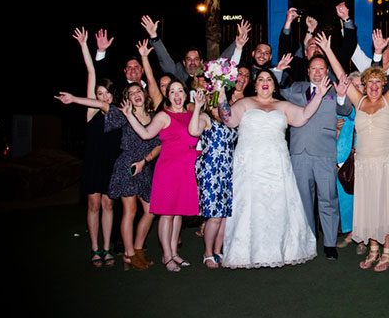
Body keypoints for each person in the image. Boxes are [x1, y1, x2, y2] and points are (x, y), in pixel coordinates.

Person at [217, 70, 334, 268]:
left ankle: (280, 249)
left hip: (276, 164)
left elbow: (303, 116)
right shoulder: (244, 103)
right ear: (255, 85)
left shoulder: (283, 106)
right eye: (261, 79)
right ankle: (246, 251)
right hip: (250, 165)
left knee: (277, 205)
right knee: (250, 205)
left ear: (274, 85)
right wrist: (220, 95)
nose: (265, 82)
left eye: (269, 79)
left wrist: (320, 95)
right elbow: (229, 119)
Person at [318, 29, 389, 272]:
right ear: (365, 85)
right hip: (364, 164)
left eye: (379, 81)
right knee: (368, 207)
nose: (375, 86)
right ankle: (374, 248)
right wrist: (327, 50)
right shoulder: (358, 100)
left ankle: (387, 251)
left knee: (386, 206)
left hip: (386, 163)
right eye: (371, 82)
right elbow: (340, 75)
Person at [56, 82, 160, 270]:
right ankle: (128, 254)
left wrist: (146, 160)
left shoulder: (153, 117)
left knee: (151, 210)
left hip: (144, 167)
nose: (136, 94)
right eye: (131, 92)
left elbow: (159, 144)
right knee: (130, 210)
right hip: (126, 166)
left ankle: (137, 249)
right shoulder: (123, 114)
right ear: (127, 98)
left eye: (139, 91)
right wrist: (73, 99)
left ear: (144, 95)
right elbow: (102, 105)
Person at [280, 52, 353, 260]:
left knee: (328, 198)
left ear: (327, 71)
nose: (318, 72)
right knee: (303, 200)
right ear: (308, 71)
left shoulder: (334, 90)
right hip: (299, 153)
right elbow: (278, 88)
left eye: (322, 68)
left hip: (324, 154)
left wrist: (340, 95)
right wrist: (278, 70)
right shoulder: (296, 89)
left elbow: (346, 109)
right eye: (314, 68)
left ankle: (330, 243)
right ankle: (308, 241)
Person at [122, 79, 200, 272]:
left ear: (185, 93)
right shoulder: (164, 116)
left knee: (178, 213)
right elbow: (146, 134)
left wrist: (199, 106)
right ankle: (166, 255)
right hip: (169, 170)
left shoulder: (191, 114)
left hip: (187, 169)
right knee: (167, 214)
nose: (176, 95)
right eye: (172, 91)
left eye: (180, 90)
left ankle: (174, 253)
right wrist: (129, 115)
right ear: (168, 95)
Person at [63, 27, 120, 267]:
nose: (103, 97)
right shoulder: (91, 111)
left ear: (112, 96)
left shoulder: (117, 114)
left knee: (108, 204)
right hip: (93, 163)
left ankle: (107, 248)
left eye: (106, 93)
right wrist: (87, 47)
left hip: (111, 164)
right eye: (99, 93)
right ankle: (95, 248)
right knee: (94, 204)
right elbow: (91, 70)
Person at [189, 90, 237, 269]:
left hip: (229, 170)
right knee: (215, 216)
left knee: (225, 216)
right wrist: (198, 108)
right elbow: (193, 131)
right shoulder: (205, 119)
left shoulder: (230, 121)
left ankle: (218, 250)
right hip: (211, 171)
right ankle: (207, 252)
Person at [334, 71, 362, 251]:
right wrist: (334, 128)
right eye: (354, 85)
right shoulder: (339, 109)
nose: (357, 89)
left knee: (361, 198)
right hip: (340, 159)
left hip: (360, 158)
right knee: (345, 198)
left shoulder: (363, 107)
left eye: (360, 86)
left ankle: (361, 236)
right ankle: (351, 232)